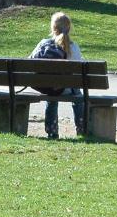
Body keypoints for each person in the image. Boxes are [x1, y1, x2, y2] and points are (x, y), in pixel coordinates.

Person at [31, 12, 87, 140]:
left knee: (52, 96)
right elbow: (79, 71)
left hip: (48, 87)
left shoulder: (43, 44)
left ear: (53, 28)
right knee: (77, 93)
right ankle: (82, 129)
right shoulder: (73, 47)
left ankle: (52, 132)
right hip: (66, 89)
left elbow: (29, 62)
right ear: (69, 28)